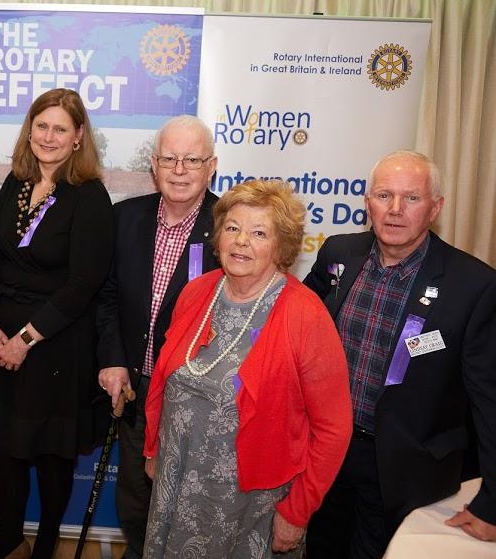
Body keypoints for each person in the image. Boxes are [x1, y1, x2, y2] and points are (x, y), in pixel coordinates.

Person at [143, 179, 352, 558]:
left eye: (259, 233)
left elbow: (333, 428)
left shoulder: (305, 315)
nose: (241, 242)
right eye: (233, 228)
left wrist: (297, 511)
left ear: (281, 246)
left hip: (249, 504)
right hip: (177, 482)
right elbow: (163, 380)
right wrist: (155, 448)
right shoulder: (196, 293)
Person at [304, 150, 496, 557]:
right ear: (367, 202)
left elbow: (490, 403)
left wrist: (493, 502)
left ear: (435, 208)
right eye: (383, 195)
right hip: (328, 454)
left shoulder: (474, 287)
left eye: (411, 198)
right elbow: (297, 329)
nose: (394, 210)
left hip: (407, 470)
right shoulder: (338, 254)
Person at [0, 88, 114, 559]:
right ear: (29, 130)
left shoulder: (90, 196)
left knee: (51, 455)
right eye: (41, 125)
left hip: (54, 344)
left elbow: (83, 284)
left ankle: (46, 544)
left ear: (77, 138)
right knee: (5, 447)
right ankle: (10, 534)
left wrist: (24, 341)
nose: (48, 136)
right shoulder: (15, 182)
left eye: (60, 128)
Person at [94, 115, 220, 559]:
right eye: (169, 158)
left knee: (191, 504)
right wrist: (112, 359)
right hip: (136, 387)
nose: (180, 169)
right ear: (154, 165)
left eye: (191, 159)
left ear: (212, 166)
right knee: (135, 494)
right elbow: (106, 296)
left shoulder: (231, 229)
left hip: (198, 396)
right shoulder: (125, 217)